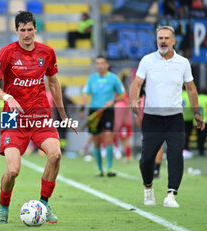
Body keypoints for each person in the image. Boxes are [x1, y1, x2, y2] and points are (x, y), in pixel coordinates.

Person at [0, 10, 77, 224]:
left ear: (35, 29)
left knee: (55, 155)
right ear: (16, 30)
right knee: (13, 170)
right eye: (22, 30)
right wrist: (8, 96)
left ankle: (44, 204)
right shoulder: (7, 52)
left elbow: (53, 82)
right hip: (12, 118)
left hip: (40, 115)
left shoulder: (47, 52)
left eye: (30, 30)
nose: (27, 34)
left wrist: (63, 114)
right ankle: (3, 207)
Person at [130, 25, 205, 208]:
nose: (163, 41)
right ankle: (148, 188)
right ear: (157, 40)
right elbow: (137, 83)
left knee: (175, 156)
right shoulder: (147, 61)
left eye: (166, 38)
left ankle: (171, 194)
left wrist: (196, 112)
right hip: (152, 118)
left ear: (173, 40)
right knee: (146, 158)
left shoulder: (183, 63)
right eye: (160, 38)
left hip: (174, 118)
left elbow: (191, 88)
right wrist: (134, 100)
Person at [79, 55, 125, 177]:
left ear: (107, 65)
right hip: (94, 112)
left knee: (108, 136)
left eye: (102, 63)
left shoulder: (114, 78)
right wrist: (82, 108)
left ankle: (109, 169)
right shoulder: (92, 79)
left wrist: (113, 101)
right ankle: (100, 170)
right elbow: (85, 94)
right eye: (97, 63)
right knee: (96, 141)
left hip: (108, 111)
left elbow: (122, 95)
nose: (100, 65)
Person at [197, 86, 207, 155]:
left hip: (196, 121)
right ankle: (202, 151)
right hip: (205, 121)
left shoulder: (197, 98)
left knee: (199, 136)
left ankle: (200, 150)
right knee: (203, 136)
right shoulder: (206, 99)